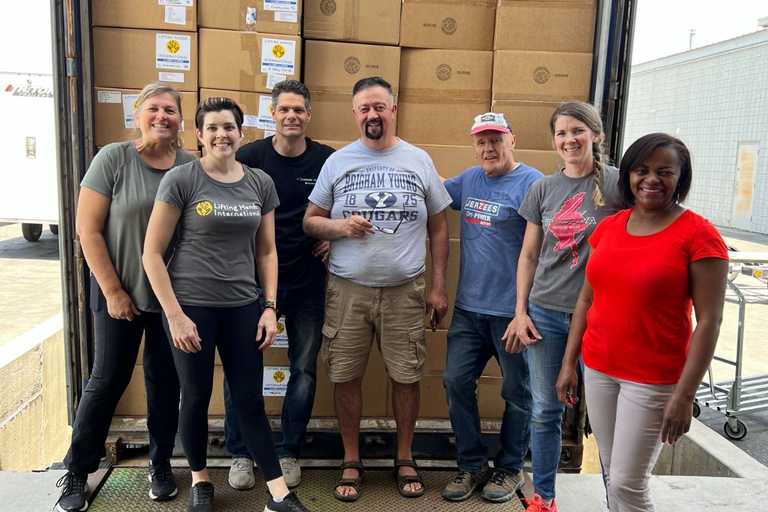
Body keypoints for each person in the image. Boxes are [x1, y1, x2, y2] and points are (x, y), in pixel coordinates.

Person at [142, 97, 312, 512]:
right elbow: (151, 253)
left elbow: (267, 252)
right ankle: (201, 480)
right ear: (199, 135)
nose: (221, 134)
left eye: (229, 127)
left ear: (241, 133)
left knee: (250, 400)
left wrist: (269, 307)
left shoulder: (259, 183)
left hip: (242, 307)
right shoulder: (181, 180)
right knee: (196, 397)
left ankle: (277, 493)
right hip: (192, 309)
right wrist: (175, 316)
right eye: (212, 128)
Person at [556, 133, 728, 512]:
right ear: (629, 177)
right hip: (598, 368)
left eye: (664, 172)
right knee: (609, 471)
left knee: (627, 483)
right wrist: (570, 363)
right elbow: (587, 297)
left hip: (652, 378)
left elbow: (710, 321)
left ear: (680, 179)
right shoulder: (611, 227)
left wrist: (684, 396)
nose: (651, 179)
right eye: (642, 170)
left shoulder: (699, 236)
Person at [303, 76, 451, 502]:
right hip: (348, 290)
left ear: (393, 110)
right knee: (345, 375)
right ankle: (352, 459)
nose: (372, 115)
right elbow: (310, 220)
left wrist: (438, 287)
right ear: (355, 114)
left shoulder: (419, 160)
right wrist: (339, 227)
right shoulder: (338, 163)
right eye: (365, 108)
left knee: (406, 377)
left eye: (379, 107)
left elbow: (440, 227)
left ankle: (404, 457)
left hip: (406, 291)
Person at [54, 83, 191, 512]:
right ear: (138, 115)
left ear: (181, 120)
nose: (162, 116)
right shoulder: (113, 159)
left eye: (170, 110)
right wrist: (112, 291)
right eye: (154, 108)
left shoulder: (190, 167)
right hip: (120, 293)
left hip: (172, 299)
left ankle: (161, 464)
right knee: (107, 379)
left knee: (165, 384)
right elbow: (88, 230)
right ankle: (78, 469)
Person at [503, 101, 624, 512]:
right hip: (546, 315)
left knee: (609, 418)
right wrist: (521, 312)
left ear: (595, 134)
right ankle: (545, 499)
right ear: (554, 140)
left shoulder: (619, 186)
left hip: (602, 316)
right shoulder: (543, 188)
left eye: (578, 131)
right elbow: (529, 256)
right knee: (545, 410)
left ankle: (619, 499)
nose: (569, 139)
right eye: (561, 133)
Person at [224, 80, 334, 490]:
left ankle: (289, 451)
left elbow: (340, 207)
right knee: (242, 369)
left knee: (302, 370)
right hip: (252, 286)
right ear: (272, 114)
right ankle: (239, 452)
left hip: (307, 283)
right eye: (284, 109)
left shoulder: (327, 160)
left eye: (299, 110)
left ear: (308, 115)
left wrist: (330, 235)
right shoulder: (250, 157)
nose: (291, 116)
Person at [440, 113, 542, 503]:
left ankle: (510, 467)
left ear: (512, 139)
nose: (488, 148)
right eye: (481, 141)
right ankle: (471, 464)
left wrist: (525, 310)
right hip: (469, 310)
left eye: (496, 139)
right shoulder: (468, 180)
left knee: (518, 393)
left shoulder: (532, 184)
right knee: (454, 381)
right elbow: (426, 198)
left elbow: (540, 252)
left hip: (512, 313)